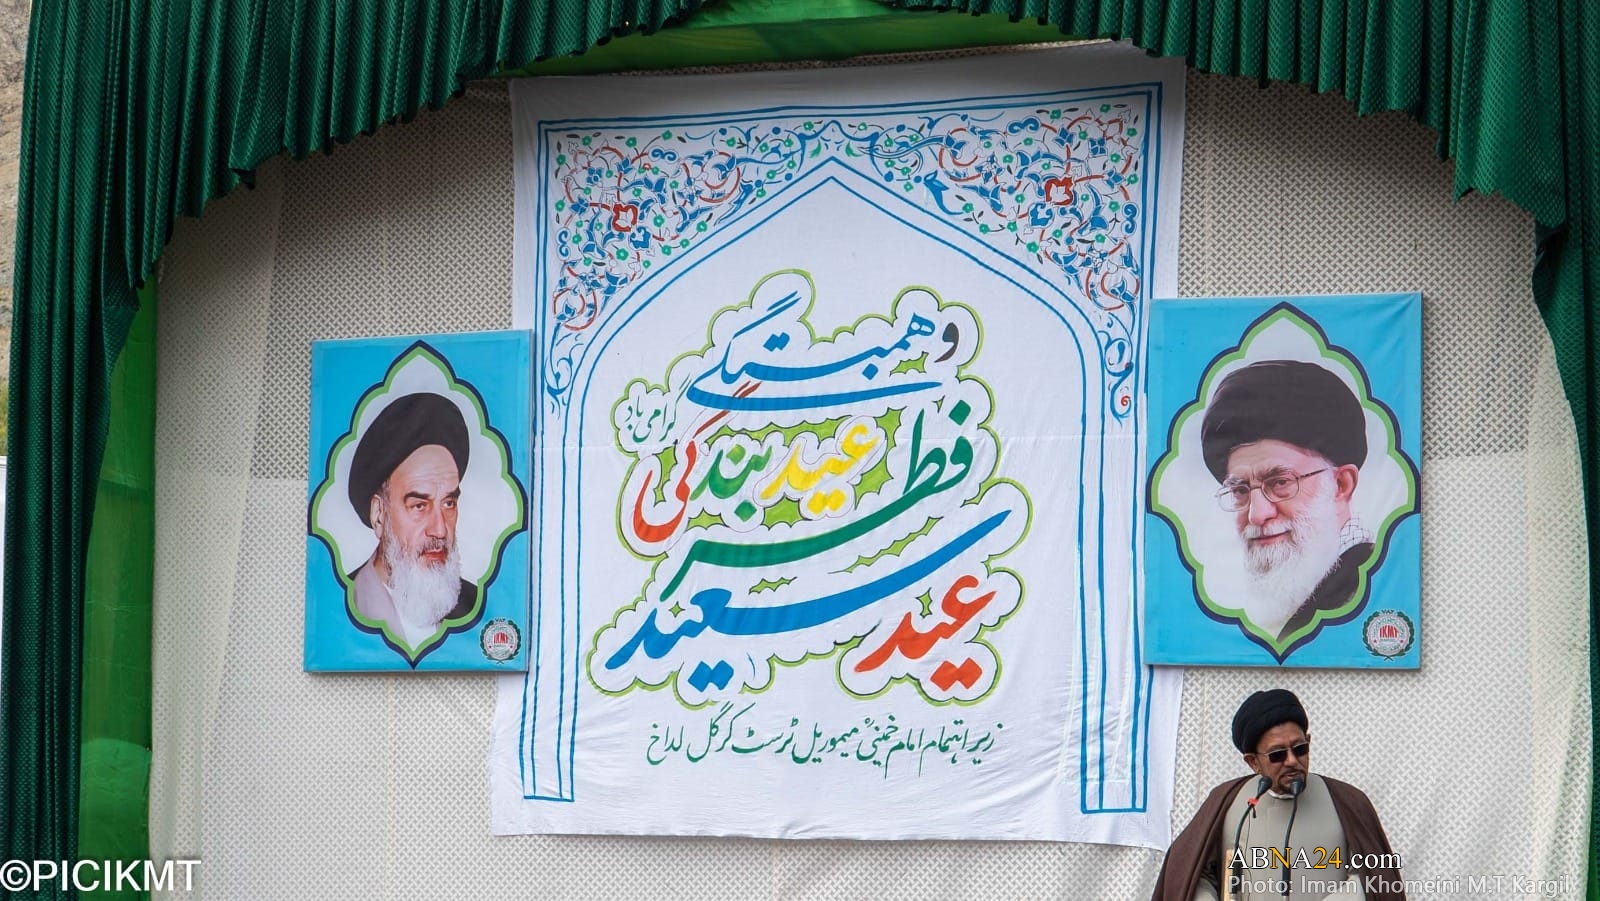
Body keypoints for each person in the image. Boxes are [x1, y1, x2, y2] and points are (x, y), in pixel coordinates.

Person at [1151, 690, 1405, 900]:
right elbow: (1194, 874)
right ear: (1253, 762)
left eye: (1300, 748)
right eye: (1277, 755)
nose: (1292, 761)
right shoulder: (1226, 802)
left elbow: (1373, 877)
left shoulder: (1348, 802)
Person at [1200, 360, 1375, 640]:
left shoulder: (1368, 587)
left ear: (1341, 485)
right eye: (1241, 490)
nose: (1257, 514)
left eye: (1280, 483)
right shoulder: (1302, 595)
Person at [346, 392, 477, 648]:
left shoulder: (476, 606)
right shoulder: (342, 603)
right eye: (419, 506)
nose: (440, 530)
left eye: (448, 503)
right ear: (379, 515)